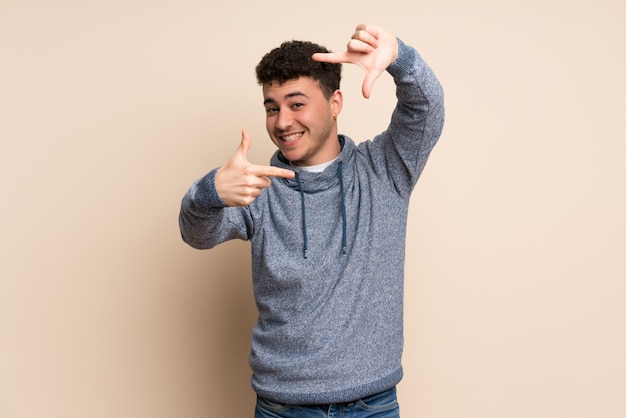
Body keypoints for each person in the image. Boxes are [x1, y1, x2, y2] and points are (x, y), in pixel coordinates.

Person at [179, 23, 444, 417]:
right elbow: (197, 234)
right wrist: (209, 192)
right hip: (282, 407)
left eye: (296, 103)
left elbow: (426, 110)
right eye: (272, 107)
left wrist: (399, 58)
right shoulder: (256, 188)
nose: (282, 121)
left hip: (372, 406)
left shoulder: (384, 169)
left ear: (335, 102)